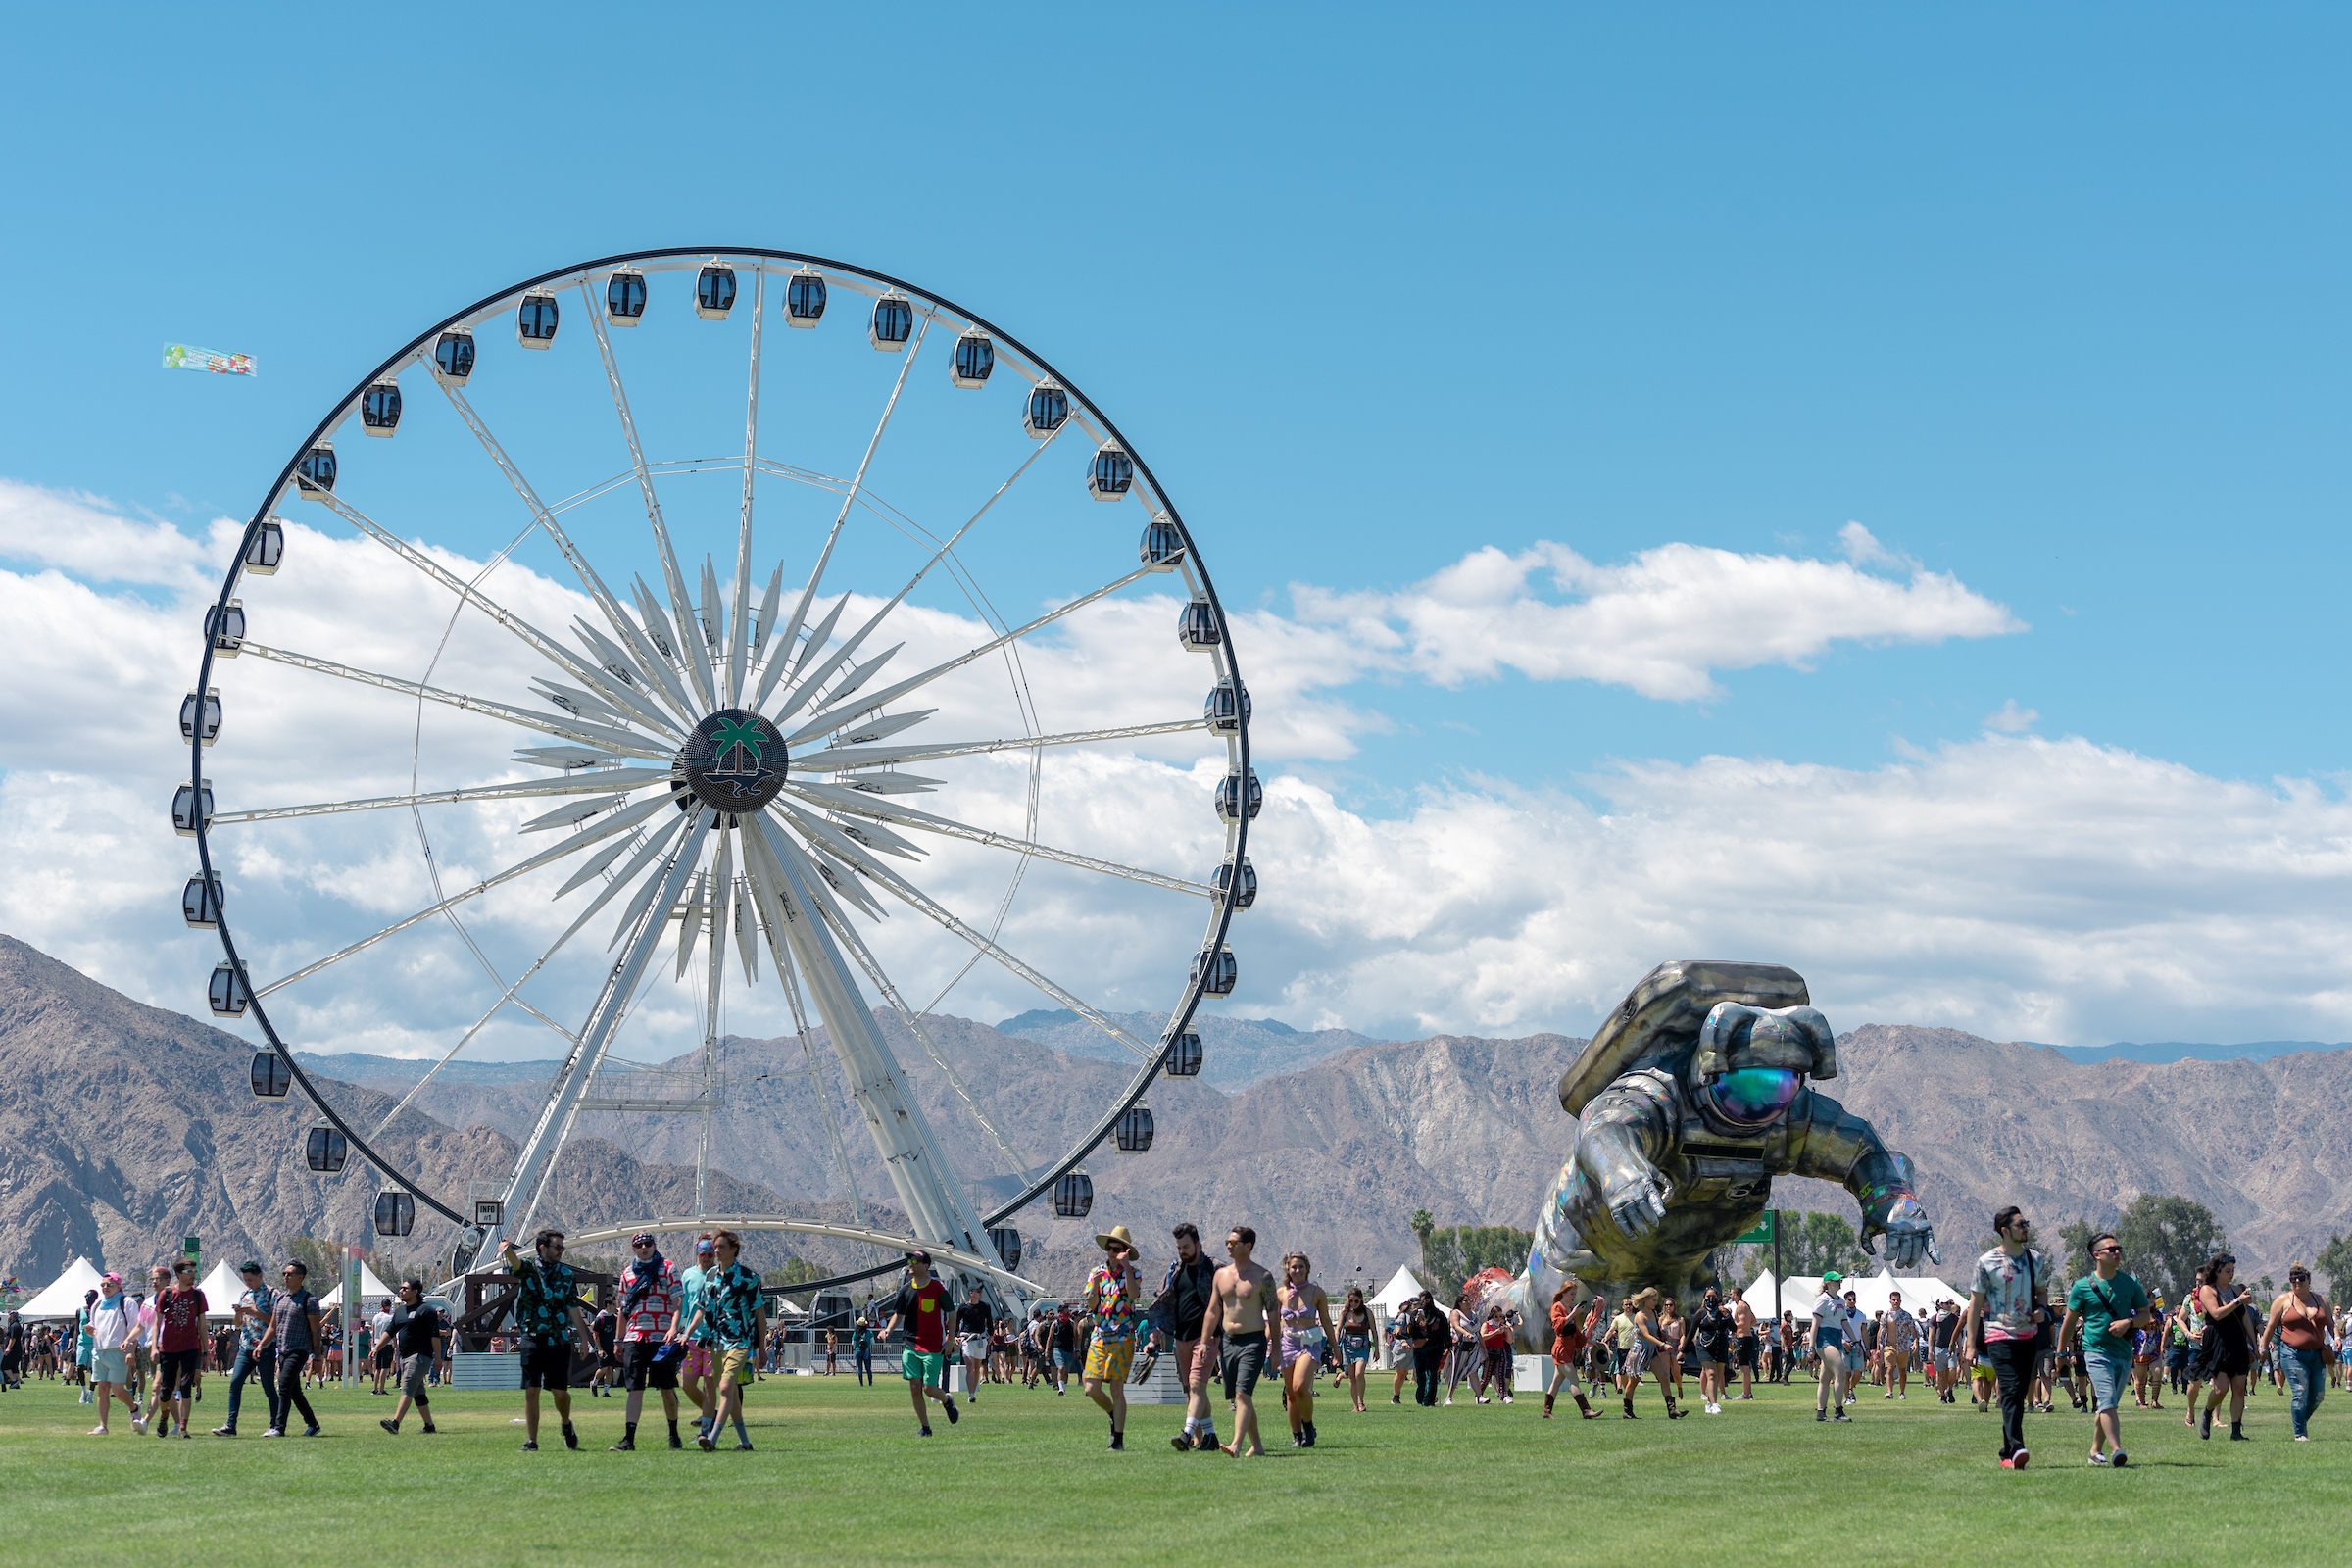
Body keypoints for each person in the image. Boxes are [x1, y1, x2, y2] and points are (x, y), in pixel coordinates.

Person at [2058, 1230, 2157, 1467]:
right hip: (2095, 1352)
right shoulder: (2082, 1286)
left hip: (2123, 1353)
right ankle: (2117, 1450)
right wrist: (2061, 1354)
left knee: (2106, 1404)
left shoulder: (2130, 1282)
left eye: (2118, 1249)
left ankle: (2094, 1452)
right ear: (2097, 1255)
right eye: (2111, 1249)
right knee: (2107, 1401)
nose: (2116, 1252)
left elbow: (2145, 1314)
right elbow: (2069, 1322)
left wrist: (2129, 1322)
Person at [1964, 1205, 2052, 1468]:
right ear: (2005, 1230)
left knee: (2019, 1392)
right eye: (2020, 1224)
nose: (2026, 1228)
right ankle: (2017, 1447)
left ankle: (2007, 1453)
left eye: (2026, 1223)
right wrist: (1970, 1344)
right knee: (2011, 1388)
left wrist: (2043, 1311)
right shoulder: (1986, 1262)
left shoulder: (2035, 1259)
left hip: (2028, 1335)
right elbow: (1975, 1305)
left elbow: (2042, 1293)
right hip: (1997, 1335)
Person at [497, 1230, 592, 1452]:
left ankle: (566, 1423)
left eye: (562, 1248)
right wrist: (507, 1250)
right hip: (531, 1336)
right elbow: (516, 1264)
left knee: (559, 1392)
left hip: (558, 1339)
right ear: (542, 1247)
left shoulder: (566, 1275)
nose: (561, 1251)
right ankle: (532, 1441)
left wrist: (585, 1339)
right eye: (557, 1247)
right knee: (532, 1389)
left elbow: (573, 1308)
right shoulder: (529, 1269)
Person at [677, 1229, 766, 1451]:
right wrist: (687, 1333)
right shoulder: (710, 1277)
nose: (716, 1251)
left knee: (725, 1387)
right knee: (731, 1394)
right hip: (716, 1343)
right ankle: (745, 1443)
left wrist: (761, 1347)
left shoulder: (749, 1278)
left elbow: (760, 1315)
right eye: (715, 1247)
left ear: (734, 1249)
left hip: (740, 1341)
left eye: (721, 1247)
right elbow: (699, 1309)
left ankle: (712, 1437)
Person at [1207, 1226, 1279, 1455]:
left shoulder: (1263, 1277)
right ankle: (1257, 1446)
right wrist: (1204, 1341)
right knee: (1239, 1396)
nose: (1229, 1245)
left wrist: (1275, 1350)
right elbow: (1212, 1311)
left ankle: (1235, 1444)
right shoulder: (1220, 1275)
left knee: (1242, 1394)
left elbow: (1274, 1314)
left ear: (1248, 1246)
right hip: (1228, 1342)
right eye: (1228, 1241)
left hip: (1253, 1341)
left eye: (1234, 1242)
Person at [610, 1232, 684, 1451]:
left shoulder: (668, 1268)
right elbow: (623, 1310)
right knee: (634, 1388)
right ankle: (629, 1439)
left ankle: (673, 1434)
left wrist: (673, 1328)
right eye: (639, 1245)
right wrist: (618, 1340)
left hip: (662, 1337)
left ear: (654, 1245)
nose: (644, 1247)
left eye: (648, 1244)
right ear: (633, 1249)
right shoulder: (627, 1274)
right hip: (635, 1337)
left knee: (666, 1387)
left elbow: (678, 1302)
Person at [1156, 1222, 1223, 1451]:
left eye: (1186, 1247)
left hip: (1207, 1338)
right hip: (1181, 1338)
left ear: (1198, 1244)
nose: (1182, 1252)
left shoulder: (1214, 1268)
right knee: (1191, 1389)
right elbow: (1163, 1300)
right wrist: (1155, 1335)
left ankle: (1186, 1434)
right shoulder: (1176, 1269)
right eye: (1178, 1247)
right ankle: (1210, 1437)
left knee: (1196, 1385)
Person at [1080, 1226, 1147, 1450]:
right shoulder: (1096, 1273)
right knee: (1090, 1387)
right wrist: (1096, 1287)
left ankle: (1117, 1439)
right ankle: (1112, 1413)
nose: (1112, 1252)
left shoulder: (1134, 1273)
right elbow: (1090, 1304)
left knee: (1117, 1388)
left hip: (1123, 1335)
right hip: (1099, 1334)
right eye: (1110, 1248)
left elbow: (1134, 1295)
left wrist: (1126, 1267)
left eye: (1117, 1249)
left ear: (1126, 1251)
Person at [881, 1250, 960, 1437]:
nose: (911, 1263)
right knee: (915, 1387)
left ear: (926, 1266)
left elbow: (952, 1313)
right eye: (910, 1260)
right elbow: (898, 1315)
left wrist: (950, 1339)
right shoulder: (905, 1290)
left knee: (929, 1389)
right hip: (910, 1345)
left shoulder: (937, 1288)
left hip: (933, 1346)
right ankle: (925, 1428)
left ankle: (947, 1400)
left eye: (915, 1261)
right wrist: (888, 1330)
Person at [2260, 1263, 2335, 1443]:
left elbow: (2331, 1324)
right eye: (2293, 1280)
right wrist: (2262, 1348)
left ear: (2309, 1280)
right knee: (2300, 1391)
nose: (2297, 1282)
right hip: (2292, 1353)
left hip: (2317, 1354)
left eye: (2301, 1279)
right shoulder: (2283, 1300)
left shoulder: (2321, 1300)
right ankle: (2300, 1433)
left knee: (2318, 1396)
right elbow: (2270, 1327)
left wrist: (2337, 1337)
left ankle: (2301, 1421)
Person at [2189, 1253, 2256, 1441]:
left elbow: (2245, 1319)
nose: (2231, 1274)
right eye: (2227, 1271)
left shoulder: (2236, 1290)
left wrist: (2255, 1345)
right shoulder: (2207, 1290)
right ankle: (2208, 1413)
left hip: (2238, 1341)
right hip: (2218, 1341)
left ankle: (2236, 1431)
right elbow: (2217, 1314)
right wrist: (2237, 1302)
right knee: (2221, 1389)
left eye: (2233, 1270)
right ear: (2217, 1271)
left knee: (2239, 1388)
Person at [255, 1261, 323, 1438]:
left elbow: (316, 1331)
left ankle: (279, 1427)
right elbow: (272, 1327)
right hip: (283, 1350)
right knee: (294, 1391)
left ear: (300, 1277)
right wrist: (261, 1345)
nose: (286, 1277)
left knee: (284, 1385)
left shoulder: (309, 1300)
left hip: (299, 1350)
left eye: (290, 1274)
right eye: (284, 1273)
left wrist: (317, 1358)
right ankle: (313, 1425)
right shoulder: (280, 1299)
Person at [1273, 1250, 1335, 1446]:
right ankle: (1297, 1436)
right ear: (1287, 1269)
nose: (1297, 1270)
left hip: (1310, 1343)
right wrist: (1269, 1346)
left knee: (1300, 1387)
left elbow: (1326, 1321)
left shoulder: (1317, 1293)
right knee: (1290, 1393)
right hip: (1288, 1344)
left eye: (1301, 1266)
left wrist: (1336, 1348)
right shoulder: (1280, 1293)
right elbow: (1274, 1322)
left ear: (1307, 1269)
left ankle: (1308, 1427)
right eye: (1293, 1267)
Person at [374, 1279, 446, 1436]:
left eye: (405, 1288)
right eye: (401, 1288)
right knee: (418, 1392)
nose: (401, 1291)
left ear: (415, 1291)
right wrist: (378, 1347)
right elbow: (390, 1331)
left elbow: (435, 1336)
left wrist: (438, 1359)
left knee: (407, 1386)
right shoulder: (400, 1312)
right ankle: (429, 1426)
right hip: (404, 1357)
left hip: (420, 1356)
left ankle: (395, 1423)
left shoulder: (426, 1310)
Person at [148, 1259, 208, 1440]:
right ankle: (164, 1416)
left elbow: (203, 1326)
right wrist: (154, 1348)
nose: (193, 1275)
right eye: (189, 1271)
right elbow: (157, 1324)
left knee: (186, 1386)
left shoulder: (198, 1295)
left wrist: (205, 1352)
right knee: (166, 1391)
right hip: (168, 1349)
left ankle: (183, 1428)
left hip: (190, 1347)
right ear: (179, 1275)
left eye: (194, 1271)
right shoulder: (165, 1295)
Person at [85, 1273, 141, 1435]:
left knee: (117, 1390)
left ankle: (133, 1408)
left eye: (109, 1284)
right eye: (103, 1284)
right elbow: (94, 1328)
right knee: (102, 1388)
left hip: (118, 1351)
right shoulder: (97, 1305)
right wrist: (90, 1331)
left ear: (118, 1286)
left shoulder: (127, 1303)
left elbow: (134, 1329)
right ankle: (103, 1426)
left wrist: (131, 1351)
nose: (105, 1287)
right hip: (99, 1350)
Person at [678, 1234, 718, 1437]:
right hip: (692, 1338)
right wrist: (678, 1330)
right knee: (687, 1384)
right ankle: (711, 1412)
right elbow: (683, 1307)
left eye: (711, 1253)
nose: (707, 1257)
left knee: (709, 1384)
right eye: (704, 1253)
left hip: (714, 1339)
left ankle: (707, 1425)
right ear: (697, 1255)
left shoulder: (720, 1276)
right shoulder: (688, 1275)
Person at [1544, 1281, 1597, 1419]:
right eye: (1571, 1293)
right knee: (1574, 1379)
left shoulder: (1569, 1308)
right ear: (1563, 1292)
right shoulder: (1558, 1307)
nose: (1574, 1296)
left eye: (1575, 1294)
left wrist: (1590, 1341)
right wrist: (1573, 1313)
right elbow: (1558, 1325)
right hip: (1561, 1348)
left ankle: (1546, 1411)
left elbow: (1577, 1334)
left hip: (1568, 1349)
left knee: (1556, 1382)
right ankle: (1586, 1410)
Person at [1810, 1270, 1850, 1423]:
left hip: (1836, 1338)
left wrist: (1857, 1341)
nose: (1839, 1282)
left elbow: (1845, 1323)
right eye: (1835, 1280)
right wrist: (1811, 1347)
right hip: (1824, 1339)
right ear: (1828, 1283)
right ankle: (1838, 1411)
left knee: (1825, 1378)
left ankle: (1821, 1413)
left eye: (1840, 1280)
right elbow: (1815, 1324)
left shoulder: (1840, 1300)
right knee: (1840, 1372)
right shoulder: (1822, 1300)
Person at [1338, 1286, 1377, 1416]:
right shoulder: (1344, 1313)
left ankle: (1361, 1402)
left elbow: (1374, 1331)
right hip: (1348, 1347)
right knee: (1352, 1377)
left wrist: (1376, 1349)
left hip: (1363, 1346)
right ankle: (1355, 1405)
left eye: (1356, 1301)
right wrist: (1335, 1344)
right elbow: (1337, 1329)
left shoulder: (1367, 1313)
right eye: (1351, 1301)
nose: (1353, 1304)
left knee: (1359, 1373)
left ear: (1361, 1300)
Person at [1693, 1287, 1732, 1413]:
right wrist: (1682, 1351)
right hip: (1704, 1347)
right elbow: (1691, 1333)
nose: (1711, 1299)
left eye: (1713, 1297)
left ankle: (1709, 1403)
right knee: (1711, 1374)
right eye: (1708, 1297)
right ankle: (1715, 1404)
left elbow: (1734, 1328)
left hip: (1720, 1346)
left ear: (1718, 1298)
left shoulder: (1723, 1312)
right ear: (1704, 1298)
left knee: (1716, 1377)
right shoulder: (1701, 1313)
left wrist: (1727, 1315)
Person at [955, 1285, 993, 1402]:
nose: (980, 1293)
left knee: (977, 1367)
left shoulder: (985, 1306)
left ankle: (973, 1391)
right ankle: (970, 1394)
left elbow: (990, 1321)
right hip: (967, 1339)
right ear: (971, 1293)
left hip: (980, 1339)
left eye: (981, 1291)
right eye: (978, 1291)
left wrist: (991, 1336)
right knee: (969, 1366)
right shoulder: (963, 1307)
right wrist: (956, 1335)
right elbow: (956, 1322)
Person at [1881, 1289, 1916, 1399]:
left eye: (1897, 1300)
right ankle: (1889, 1392)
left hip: (1903, 1346)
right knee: (1889, 1369)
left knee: (1902, 1370)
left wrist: (1915, 1342)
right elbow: (1881, 1331)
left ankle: (1901, 1392)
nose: (1895, 1302)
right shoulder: (1885, 1315)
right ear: (1890, 1301)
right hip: (1889, 1345)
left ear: (1900, 1301)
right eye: (1893, 1300)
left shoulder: (1906, 1315)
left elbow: (1913, 1331)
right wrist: (1878, 1346)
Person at [1730, 1291, 1759, 1400]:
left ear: (1736, 1295)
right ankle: (1748, 1392)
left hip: (1744, 1339)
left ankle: (1745, 1394)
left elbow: (1744, 1323)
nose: (1730, 1296)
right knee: (1745, 1366)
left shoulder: (1741, 1307)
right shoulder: (1746, 1305)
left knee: (1744, 1367)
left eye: (1731, 1294)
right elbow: (1753, 1321)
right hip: (1747, 1337)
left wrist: (1733, 1326)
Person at [590, 1304, 618, 1396]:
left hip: (612, 1347)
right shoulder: (600, 1318)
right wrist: (599, 1349)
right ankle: (594, 1383)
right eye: (614, 1304)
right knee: (603, 1368)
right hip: (602, 1347)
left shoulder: (615, 1318)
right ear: (608, 1305)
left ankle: (605, 1392)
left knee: (610, 1369)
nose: (616, 1307)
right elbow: (595, 1333)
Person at [851, 1314, 876, 1387]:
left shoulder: (855, 1333)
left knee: (860, 1368)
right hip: (866, 1351)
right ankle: (870, 1382)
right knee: (868, 1368)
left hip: (858, 1351)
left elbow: (853, 1343)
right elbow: (872, 1342)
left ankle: (861, 1383)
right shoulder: (869, 1332)